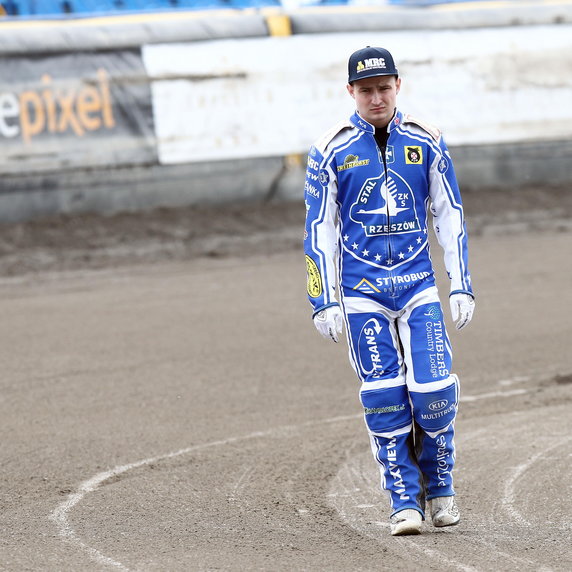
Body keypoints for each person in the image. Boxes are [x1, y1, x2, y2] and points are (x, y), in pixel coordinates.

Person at [303, 46, 475, 536]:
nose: (375, 97)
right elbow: (319, 230)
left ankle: (440, 484)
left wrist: (460, 284)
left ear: (398, 85)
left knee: (433, 393)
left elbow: (450, 214)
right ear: (350, 92)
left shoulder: (427, 140)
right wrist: (324, 299)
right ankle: (404, 498)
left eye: (383, 87)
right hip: (361, 293)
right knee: (382, 397)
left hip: (419, 286)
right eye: (365, 90)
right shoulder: (330, 150)